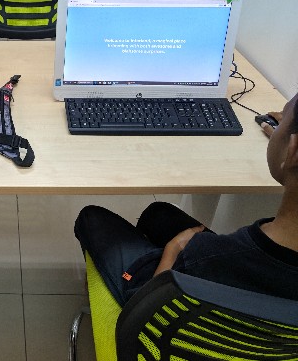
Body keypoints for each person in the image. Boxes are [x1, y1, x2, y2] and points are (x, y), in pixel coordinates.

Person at [75, 95, 298, 305]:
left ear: (293, 149)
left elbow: (148, 308)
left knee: (91, 217)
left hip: (155, 305)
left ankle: (109, 283)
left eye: (284, 118)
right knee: (158, 213)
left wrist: (172, 250)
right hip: (257, 320)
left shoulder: (209, 256)